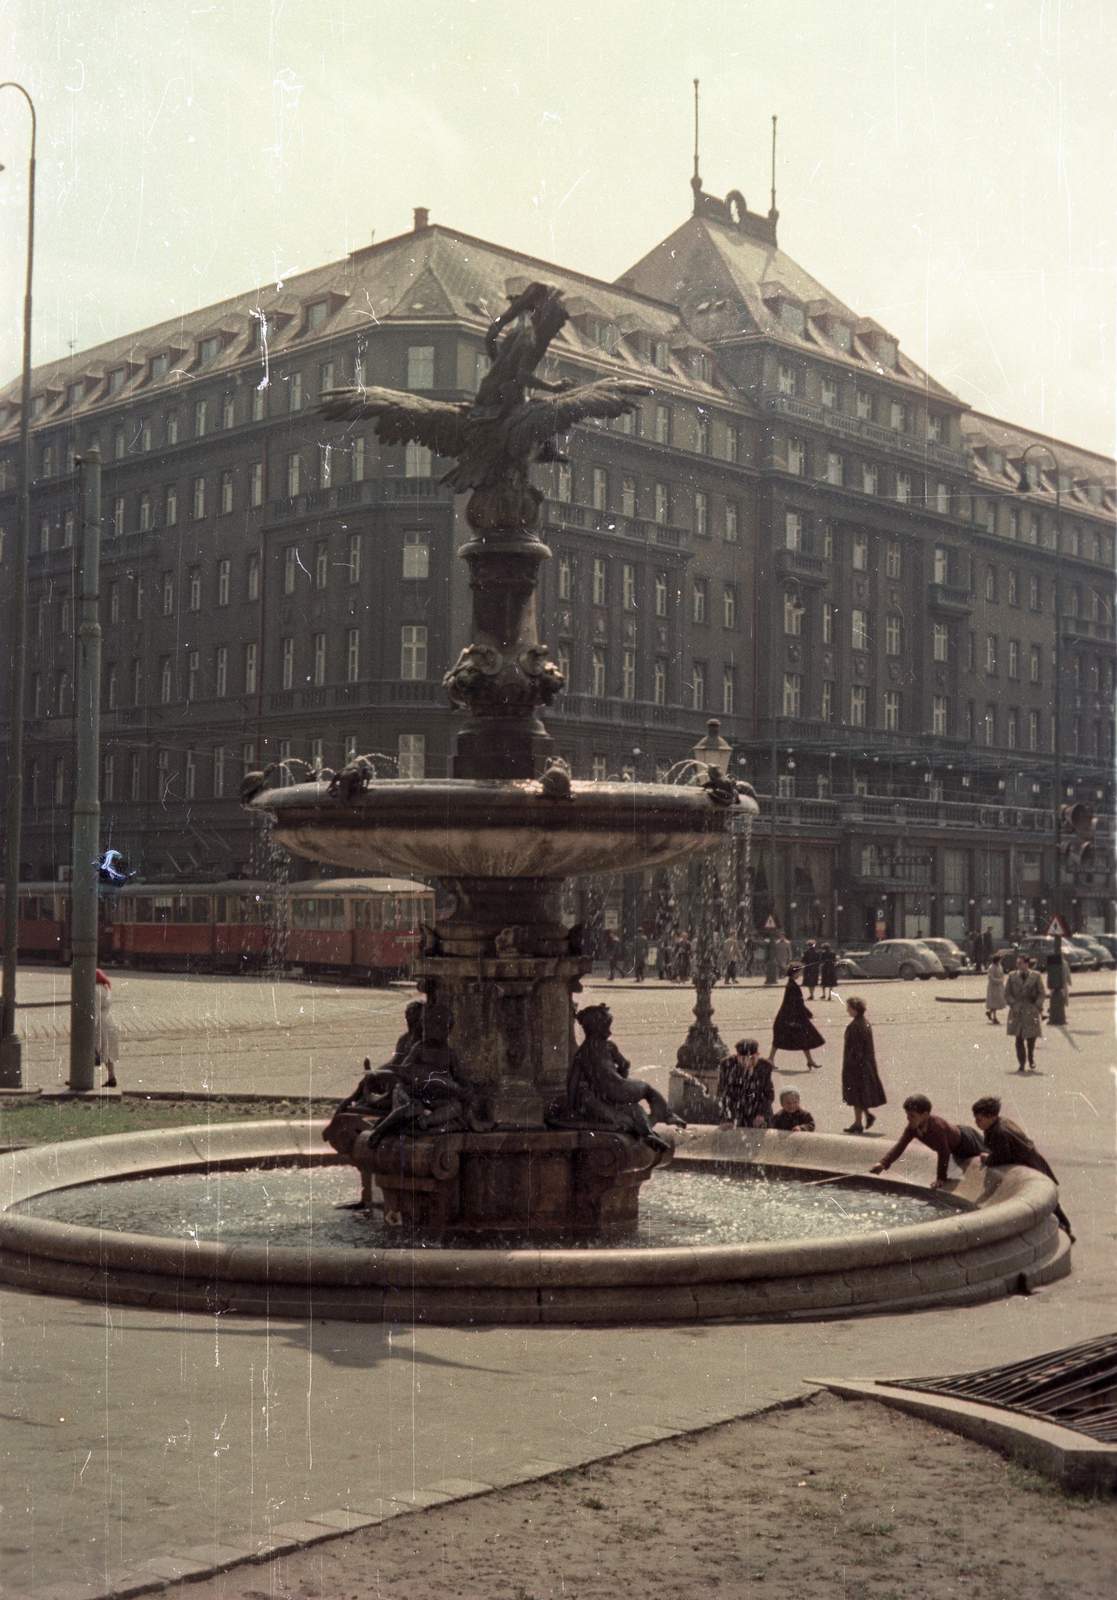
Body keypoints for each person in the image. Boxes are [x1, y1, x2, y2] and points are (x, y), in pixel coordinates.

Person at [972, 1095, 1074, 1242]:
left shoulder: (999, 1132)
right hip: (1034, 1161)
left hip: (1030, 1165)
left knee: (1048, 1203)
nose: (976, 1123)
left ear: (992, 1117)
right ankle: (1066, 1227)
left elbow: (1002, 1157)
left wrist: (988, 1159)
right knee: (1052, 1205)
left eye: (979, 1119)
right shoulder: (1000, 1123)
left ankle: (1066, 1230)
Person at [870, 1094, 984, 1189]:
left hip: (966, 1142)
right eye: (907, 1115)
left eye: (912, 1116)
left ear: (924, 1115)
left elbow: (944, 1152)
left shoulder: (936, 1128)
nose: (908, 1119)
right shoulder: (913, 1127)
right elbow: (900, 1145)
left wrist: (940, 1178)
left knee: (990, 1150)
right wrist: (883, 1163)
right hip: (956, 1135)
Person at [841, 996, 886, 1133]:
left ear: (854, 1010)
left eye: (848, 1008)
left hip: (858, 1066)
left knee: (856, 1093)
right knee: (859, 1094)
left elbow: (856, 1049)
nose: (847, 1010)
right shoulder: (863, 1023)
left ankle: (858, 1123)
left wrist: (850, 1065)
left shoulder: (856, 1026)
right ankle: (863, 1118)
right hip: (865, 1065)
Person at [769, 963, 825, 1071]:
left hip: (792, 1016)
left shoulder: (791, 984)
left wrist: (807, 1013)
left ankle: (809, 1060)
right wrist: (791, 1020)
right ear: (795, 973)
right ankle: (771, 1059)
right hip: (791, 1017)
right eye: (799, 972)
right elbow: (790, 1004)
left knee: (784, 1039)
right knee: (790, 1038)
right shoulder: (792, 986)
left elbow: (797, 1003)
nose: (800, 974)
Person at [717, 1039, 775, 1128]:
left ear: (758, 1055)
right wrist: (728, 1118)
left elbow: (769, 1094)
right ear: (737, 1057)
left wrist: (762, 1114)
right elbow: (723, 1094)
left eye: (752, 1058)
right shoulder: (728, 1066)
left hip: (758, 1105)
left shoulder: (765, 1066)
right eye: (744, 1059)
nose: (748, 1063)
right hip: (736, 1105)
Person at [1005, 954, 1046, 1072]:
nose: (1018, 965)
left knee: (1031, 1038)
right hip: (1017, 1011)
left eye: (1021, 963)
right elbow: (1007, 993)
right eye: (1017, 963)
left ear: (1027, 964)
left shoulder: (1036, 976)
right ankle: (1021, 1063)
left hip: (1030, 1010)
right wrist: (1013, 1004)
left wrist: (1037, 1006)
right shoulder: (1012, 976)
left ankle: (1030, 1057)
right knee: (1018, 1039)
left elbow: (1041, 993)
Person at [95, 968, 120, 1088]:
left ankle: (80, 1079)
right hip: (108, 1021)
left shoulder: (96, 990)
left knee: (93, 1050)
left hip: (101, 1023)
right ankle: (112, 1078)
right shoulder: (105, 987)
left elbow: (94, 1010)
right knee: (107, 1051)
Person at [984, 954, 1006, 1024]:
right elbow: (990, 978)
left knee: (997, 1002)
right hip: (993, 987)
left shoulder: (999, 966)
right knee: (994, 1002)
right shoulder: (991, 967)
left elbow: (1002, 974)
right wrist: (999, 980)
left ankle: (990, 1013)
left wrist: (1002, 979)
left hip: (999, 987)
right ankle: (994, 1017)